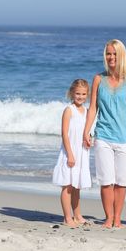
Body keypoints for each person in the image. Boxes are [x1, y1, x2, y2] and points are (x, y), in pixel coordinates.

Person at [83, 39, 126, 228]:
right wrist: (87, 131)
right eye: (108, 53)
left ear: (121, 55)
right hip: (103, 136)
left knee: (121, 181)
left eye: (115, 54)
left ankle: (118, 218)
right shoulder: (98, 79)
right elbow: (92, 108)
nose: (111, 57)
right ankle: (109, 218)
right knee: (106, 181)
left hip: (125, 137)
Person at [52, 79, 92, 227]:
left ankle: (77, 215)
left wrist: (89, 139)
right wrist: (70, 154)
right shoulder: (69, 110)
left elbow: (86, 131)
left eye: (83, 94)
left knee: (77, 186)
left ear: (87, 95)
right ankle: (67, 217)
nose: (80, 97)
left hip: (82, 152)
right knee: (67, 185)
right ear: (71, 93)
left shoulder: (87, 111)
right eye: (77, 94)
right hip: (70, 152)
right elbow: (64, 134)